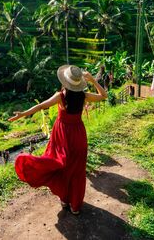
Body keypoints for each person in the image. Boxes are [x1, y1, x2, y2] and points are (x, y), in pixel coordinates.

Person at [8, 65, 107, 215]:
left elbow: (41, 106)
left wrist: (22, 114)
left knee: (63, 167)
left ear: (65, 82)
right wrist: (93, 80)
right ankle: (75, 206)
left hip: (62, 135)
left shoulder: (60, 96)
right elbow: (103, 96)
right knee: (77, 171)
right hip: (78, 135)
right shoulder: (84, 95)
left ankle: (65, 199)